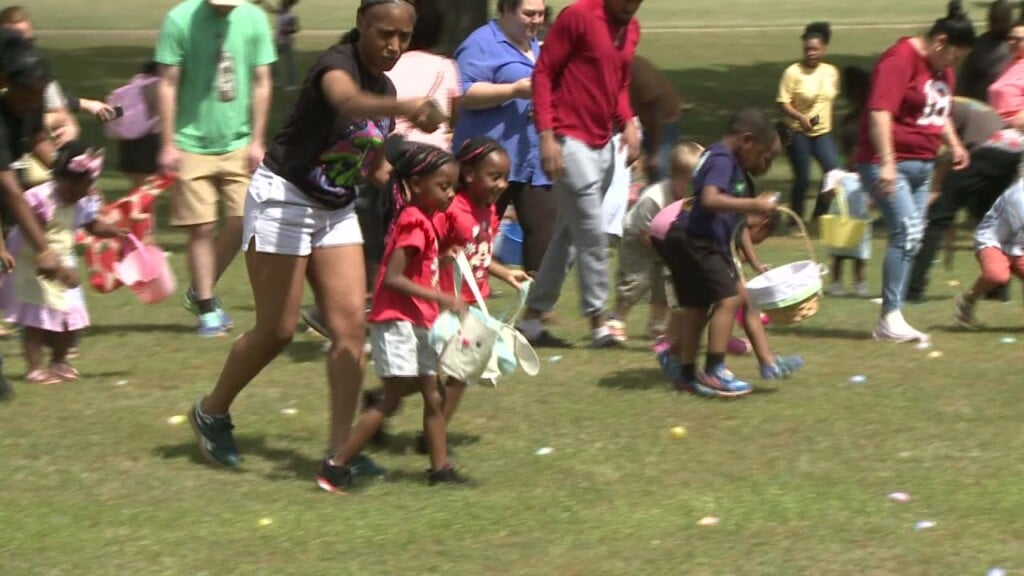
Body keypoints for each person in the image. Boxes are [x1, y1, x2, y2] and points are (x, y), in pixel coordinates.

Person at [187, 0, 444, 479]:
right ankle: (211, 411)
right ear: (360, 25)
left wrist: (405, 188)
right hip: (283, 198)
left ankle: (339, 451)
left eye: (403, 38)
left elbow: (368, 156)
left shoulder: (383, 86)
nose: (393, 45)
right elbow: (346, 104)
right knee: (278, 329)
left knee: (349, 331)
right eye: (384, 33)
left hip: (335, 207)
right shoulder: (336, 66)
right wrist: (406, 107)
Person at [317, 143, 464, 492]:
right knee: (392, 398)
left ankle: (440, 470)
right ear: (416, 185)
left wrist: (442, 261)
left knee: (433, 395)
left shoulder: (423, 221)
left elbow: (415, 270)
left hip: (418, 320)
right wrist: (442, 296)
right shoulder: (413, 221)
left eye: (453, 187)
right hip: (399, 321)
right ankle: (335, 467)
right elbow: (393, 278)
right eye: (443, 186)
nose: (451, 194)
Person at [515, 0, 643, 348]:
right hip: (567, 139)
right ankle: (599, 323)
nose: (632, 6)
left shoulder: (631, 29)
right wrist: (546, 136)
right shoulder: (578, 16)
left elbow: (619, 84)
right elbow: (543, 73)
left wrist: (628, 122)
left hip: (604, 143)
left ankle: (530, 321)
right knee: (592, 234)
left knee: (568, 237)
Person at [154, 0, 276, 336]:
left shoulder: (254, 19)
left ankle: (198, 289)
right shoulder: (180, 20)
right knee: (201, 227)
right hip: (190, 141)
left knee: (244, 221)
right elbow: (166, 82)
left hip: (238, 142)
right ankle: (206, 306)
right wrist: (167, 143)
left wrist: (257, 139)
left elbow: (262, 79)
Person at [858, 1, 974, 342]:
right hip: (886, 163)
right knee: (906, 231)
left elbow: (940, 111)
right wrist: (889, 163)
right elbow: (879, 112)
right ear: (940, 41)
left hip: (923, 165)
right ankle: (889, 317)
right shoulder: (900, 59)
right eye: (953, 55)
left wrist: (954, 144)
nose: (953, 63)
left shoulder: (942, 71)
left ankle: (893, 314)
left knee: (913, 235)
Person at [659, 107, 781, 397]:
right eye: (759, 153)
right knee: (729, 299)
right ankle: (716, 370)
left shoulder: (720, 157)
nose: (760, 161)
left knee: (698, 306)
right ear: (746, 140)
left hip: (692, 237)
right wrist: (754, 205)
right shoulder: (723, 159)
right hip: (700, 239)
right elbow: (710, 199)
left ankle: (687, 373)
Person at [7, 142, 123, 385]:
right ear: (59, 177)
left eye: (83, 187)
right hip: (34, 261)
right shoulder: (42, 198)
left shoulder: (82, 202)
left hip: (63, 259)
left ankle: (59, 361)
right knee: (35, 319)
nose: (76, 193)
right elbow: (31, 232)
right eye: (71, 186)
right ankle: (35, 367)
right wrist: (53, 264)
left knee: (71, 316)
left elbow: (91, 224)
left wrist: (114, 231)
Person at [453, 0, 554, 275]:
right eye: (528, 14)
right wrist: (512, 90)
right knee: (473, 234)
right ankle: (462, 300)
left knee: (545, 229)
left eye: (540, 14)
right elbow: (463, 94)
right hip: (488, 162)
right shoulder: (481, 43)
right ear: (506, 10)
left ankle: (536, 309)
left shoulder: (533, 44)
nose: (535, 20)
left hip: (529, 159)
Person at [0, 32, 65, 400]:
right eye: (26, 97)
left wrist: (72, 170)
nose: (33, 104)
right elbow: (8, 187)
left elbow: (39, 137)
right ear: (6, 85)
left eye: (39, 95)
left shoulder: (33, 97)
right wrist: (43, 249)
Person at [908, 97, 1023, 301]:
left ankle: (912, 289)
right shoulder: (962, 102)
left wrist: (935, 190)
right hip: (1010, 154)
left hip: (986, 150)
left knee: (938, 219)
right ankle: (998, 290)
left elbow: (948, 153)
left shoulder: (935, 104)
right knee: (992, 221)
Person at [607, 142, 703, 343]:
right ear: (674, 177)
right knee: (635, 280)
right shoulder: (655, 198)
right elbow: (644, 233)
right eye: (689, 182)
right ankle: (617, 319)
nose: (694, 188)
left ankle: (657, 325)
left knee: (664, 284)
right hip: (639, 238)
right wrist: (671, 254)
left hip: (667, 242)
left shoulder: (693, 201)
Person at [776, 21, 841, 224]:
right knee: (802, 178)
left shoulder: (831, 72)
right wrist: (799, 117)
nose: (811, 53)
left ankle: (819, 216)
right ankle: (795, 221)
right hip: (798, 132)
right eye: (807, 49)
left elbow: (830, 100)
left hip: (822, 133)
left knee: (834, 173)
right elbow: (783, 102)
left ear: (824, 49)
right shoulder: (793, 72)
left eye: (815, 49)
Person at [953, 178, 1024, 326]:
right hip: (993, 240)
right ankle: (967, 301)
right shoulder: (1018, 197)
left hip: (1017, 244)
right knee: (996, 275)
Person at [822, 121, 873, 296]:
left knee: (860, 256)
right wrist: (833, 188)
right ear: (846, 153)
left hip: (860, 221)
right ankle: (836, 283)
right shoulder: (836, 175)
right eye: (855, 155)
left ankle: (860, 283)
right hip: (840, 221)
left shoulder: (865, 176)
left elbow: (871, 198)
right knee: (838, 254)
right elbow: (827, 195)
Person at [630, 55, 682, 183]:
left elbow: (655, 111)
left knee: (659, 169)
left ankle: (663, 201)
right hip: (638, 118)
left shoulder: (638, 71)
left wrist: (655, 151)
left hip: (664, 120)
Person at [958, 0, 1013, 101]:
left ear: (1009, 20)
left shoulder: (1017, 42)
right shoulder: (980, 45)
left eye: (1000, 20)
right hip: (983, 107)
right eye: (993, 20)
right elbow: (964, 81)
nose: (995, 24)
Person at [255, 0, 301, 91]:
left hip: (287, 43)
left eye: (281, 5)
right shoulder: (281, 13)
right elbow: (271, 10)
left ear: (286, 6)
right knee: (271, 61)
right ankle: (276, 81)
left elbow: (296, 28)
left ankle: (293, 84)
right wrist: (263, 3)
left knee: (290, 64)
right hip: (279, 42)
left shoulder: (291, 17)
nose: (279, 6)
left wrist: (287, 30)